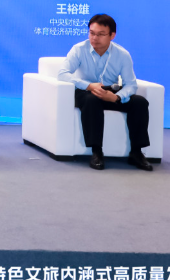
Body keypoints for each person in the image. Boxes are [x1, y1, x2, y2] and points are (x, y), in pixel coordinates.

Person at [58, 13, 152, 171]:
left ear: (112, 35)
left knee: (140, 102)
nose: (94, 38)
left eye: (101, 34)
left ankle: (136, 152)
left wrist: (116, 97)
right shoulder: (79, 49)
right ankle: (96, 152)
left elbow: (131, 85)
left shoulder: (122, 55)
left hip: (110, 91)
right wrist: (89, 86)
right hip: (85, 91)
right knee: (92, 100)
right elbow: (62, 74)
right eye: (91, 33)